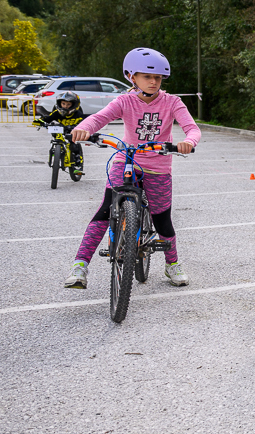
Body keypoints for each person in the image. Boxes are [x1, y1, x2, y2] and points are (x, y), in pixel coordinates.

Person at [66, 48, 200, 289]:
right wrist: (84, 128)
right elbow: (99, 118)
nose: (153, 82)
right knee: (106, 209)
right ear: (132, 77)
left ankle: (172, 263)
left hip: (158, 167)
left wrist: (188, 142)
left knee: (162, 218)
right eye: (147, 76)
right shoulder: (124, 101)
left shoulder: (172, 102)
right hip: (126, 160)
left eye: (158, 77)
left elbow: (192, 128)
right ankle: (80, 266)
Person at [35, 91, 88, 176]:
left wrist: (80, 126)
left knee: (74, 145)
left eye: (68, 104)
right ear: (59, 103)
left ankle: (78, 165)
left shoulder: (77, 113)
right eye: (63, 104)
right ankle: (57, 154)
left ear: (74, 105)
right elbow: (48, 118)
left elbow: (84, 121)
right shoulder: (57, 113)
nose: (65, 106)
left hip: (72, 132)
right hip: (60, 131)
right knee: (55, 138)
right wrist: (40, 121)